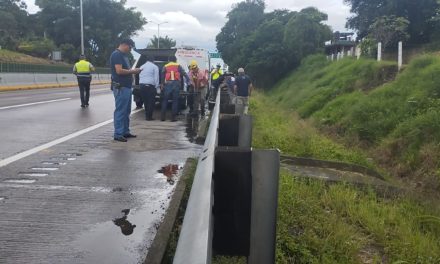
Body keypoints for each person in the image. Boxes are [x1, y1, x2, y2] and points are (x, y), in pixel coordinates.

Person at [110, 39, 141, 142]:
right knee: (120, 110)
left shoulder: (124, 56)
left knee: (126, 110)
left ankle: (125, 131)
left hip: (126, 87)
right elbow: (119, 71)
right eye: (130, 47)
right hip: (121, 87)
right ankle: (118, 134)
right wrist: (133, 71)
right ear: (124, 45)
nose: (130, 49)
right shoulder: (116, 55)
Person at [160, 56, 189, 122]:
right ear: (175, 60)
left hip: (168, 84)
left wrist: (162, 84)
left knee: (165, 100)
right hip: (176, 84)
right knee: (175, 100)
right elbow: (184, 73)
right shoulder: (178, 65)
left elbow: (162, 75)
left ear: (169, 60)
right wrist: (188, 80)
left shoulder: (165, 66)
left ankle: (162, 117)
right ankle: (173, 118)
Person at [139, 55, 159, 121]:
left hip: (142, 86)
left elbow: (140, 76)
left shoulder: (142, 66)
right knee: (151, 102)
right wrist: (156, 87)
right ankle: (149, 117)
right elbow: (156, 78)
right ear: (153, 60)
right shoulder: (155, 67)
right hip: (150, 86)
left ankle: (147, 116)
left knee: (145, 102)